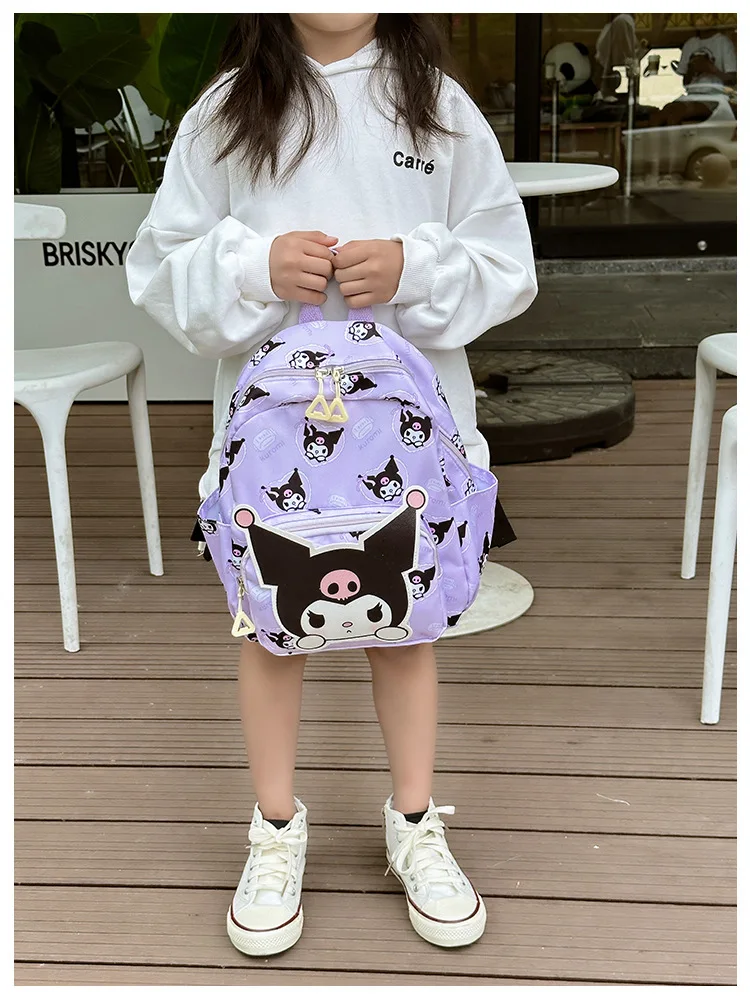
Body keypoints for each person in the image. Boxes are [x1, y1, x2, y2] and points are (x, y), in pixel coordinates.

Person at [126, 13, 536, 957]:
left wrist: (415, 266)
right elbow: (160, 266)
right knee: (273, 632)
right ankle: (274, 829)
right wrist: (252, 265)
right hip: (273, 453)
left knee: (408, 627)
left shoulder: (438, 106)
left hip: (410, 445)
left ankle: (415, 822)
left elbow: (508, 265)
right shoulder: (226, 110)